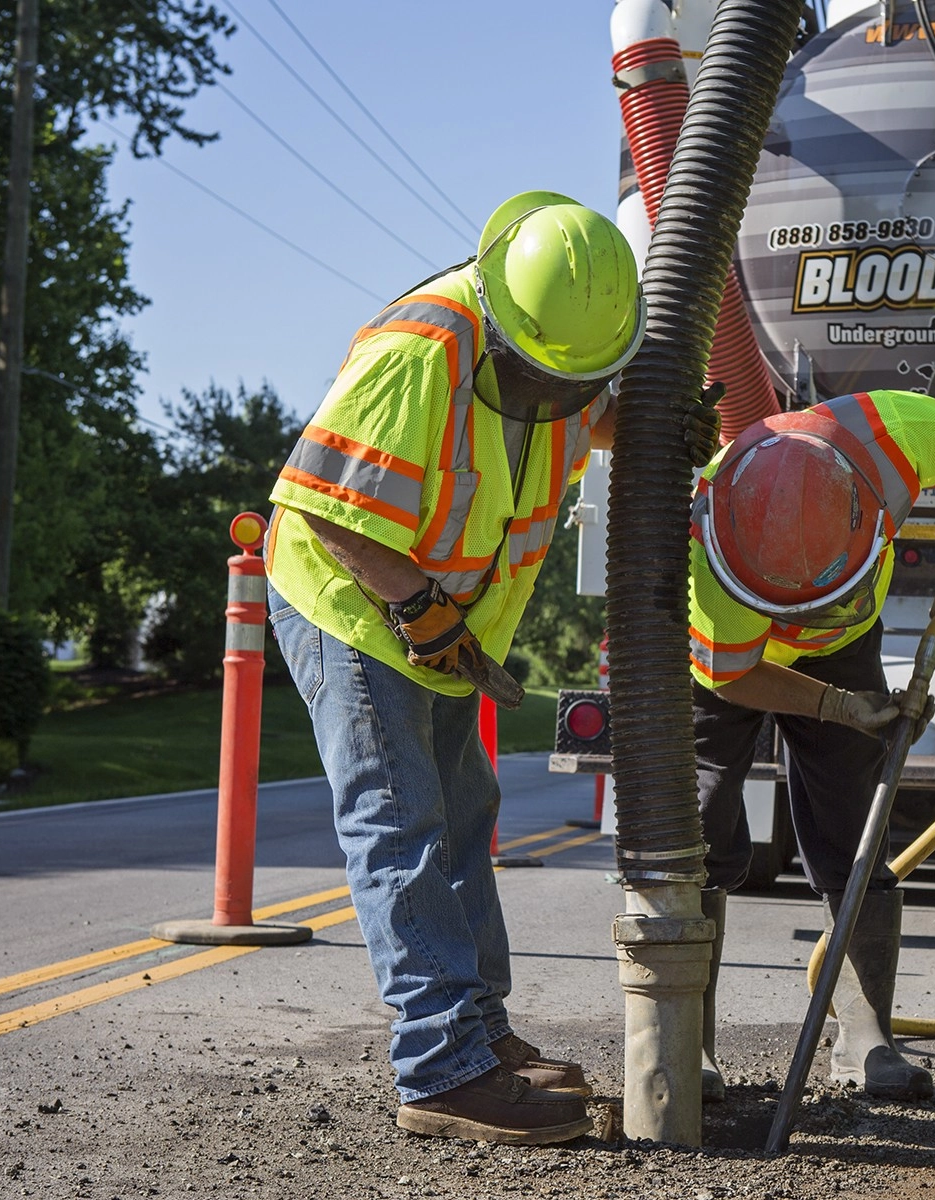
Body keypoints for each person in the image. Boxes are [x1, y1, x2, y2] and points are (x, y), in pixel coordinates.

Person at [263, 191, 716, 1145]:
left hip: (441, 624)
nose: (561, 401)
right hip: (355, 605)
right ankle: (439, 1068)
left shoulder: (562, 345)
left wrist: (649, 422)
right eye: (544, 379)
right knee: (402, 826)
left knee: (465, 823)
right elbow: (325, 504)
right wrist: (418, 607)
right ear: (504, 324)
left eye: (577, 381)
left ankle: (477, 1035)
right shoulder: (423, 346)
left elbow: (574, 414)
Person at [686, 389, 935, 1101]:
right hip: (730, 659)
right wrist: (833, 706)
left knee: (854, 822)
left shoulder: (893, 438)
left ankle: (865, 1037)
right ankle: (686, 1040)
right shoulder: (708, 552)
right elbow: (734, 675)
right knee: (696, 825)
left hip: (843, 643)